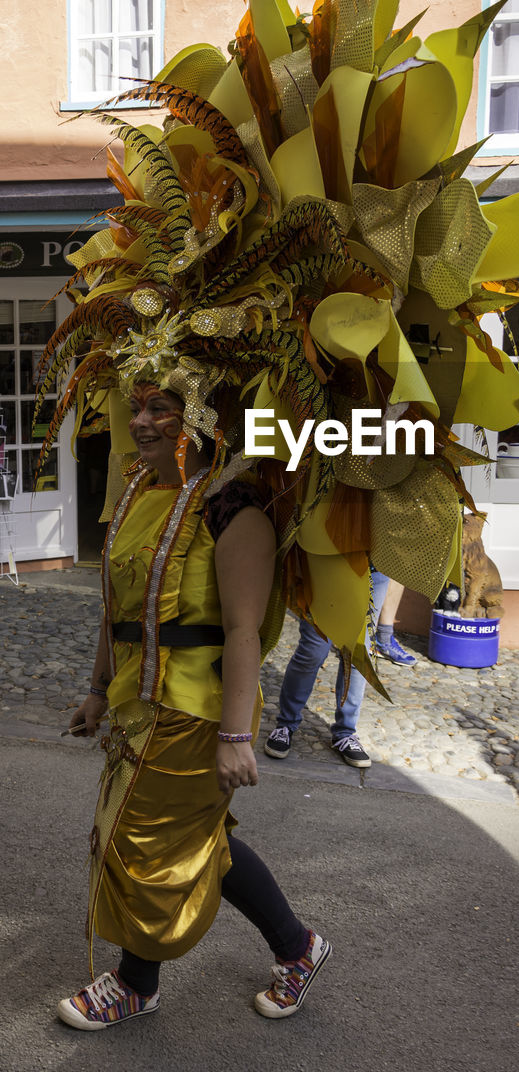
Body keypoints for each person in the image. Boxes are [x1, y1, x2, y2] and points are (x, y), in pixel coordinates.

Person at [57, 384, 331, 1030]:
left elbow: (242, 630)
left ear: (204, 414)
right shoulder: (137, 488)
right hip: (139, 702)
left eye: (161, 407)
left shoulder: (235, 505)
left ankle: (135, 983)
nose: (142, 420)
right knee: (199, 841)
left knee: (140, 841)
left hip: (201, 709)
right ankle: (299, 947)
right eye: (139, 405)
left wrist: (236, 734)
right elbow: (115, 607)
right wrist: (98, 691)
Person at [265, 575, 415, 768]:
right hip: (326, 559)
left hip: (372, 567)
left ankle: (346, 732)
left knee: (357, 653)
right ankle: (285, 724)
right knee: (313, 650)